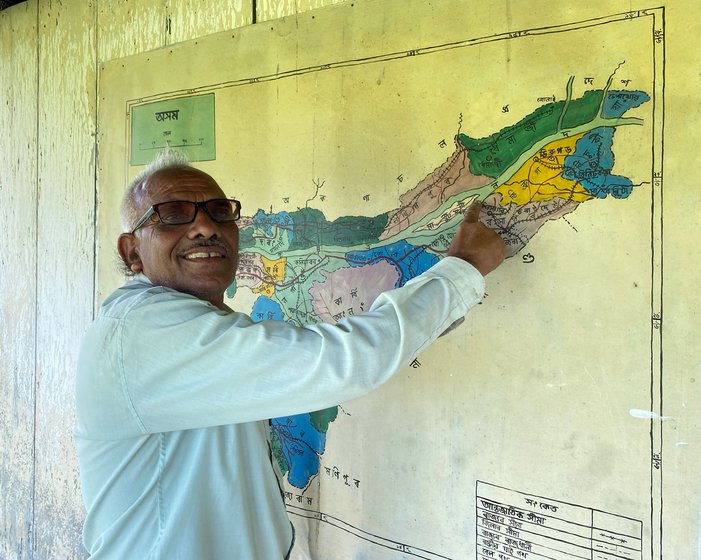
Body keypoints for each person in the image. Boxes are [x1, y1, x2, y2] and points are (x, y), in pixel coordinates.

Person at [74, 150, 504, 559]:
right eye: (172, 214)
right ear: (132, 253)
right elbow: (341, 362)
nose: (205, 227)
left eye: (219, 212)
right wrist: (460, 272)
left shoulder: (189, 327)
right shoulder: (144, 333)